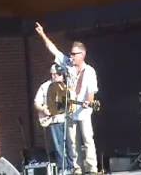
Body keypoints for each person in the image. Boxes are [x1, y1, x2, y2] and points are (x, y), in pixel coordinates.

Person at [35, 22, 99, 175]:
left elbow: (92, 91)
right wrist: (42, 34)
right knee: (72, 142)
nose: (71, 56)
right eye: (70, 54)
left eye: (74, 54)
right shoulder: (68, 66)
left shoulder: (89, 71)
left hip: (83, 112)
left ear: (82, 55)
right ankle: (77, 168)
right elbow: (54, 50)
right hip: (70, 111)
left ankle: (92, 168)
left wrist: (88, 101)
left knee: (87, 139)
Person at [34, 64, 74, 174]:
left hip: (65, 119)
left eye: (58, 74)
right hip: (52, 120)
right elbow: (36, 102)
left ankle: (71, 167)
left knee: (69, 145)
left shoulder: (66, 87)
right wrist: (43, 109)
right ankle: (63, 168)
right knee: (58, 146)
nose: (55, 76)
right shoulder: (45, 86)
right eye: (54, 74)